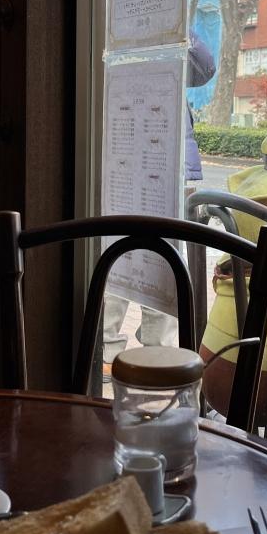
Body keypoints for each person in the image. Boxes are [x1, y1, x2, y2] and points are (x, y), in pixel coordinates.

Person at [102, 33, 217, 365]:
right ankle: (107, 346)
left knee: (163, 254)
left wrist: (181, 31)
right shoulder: (110, 28)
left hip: (167, 158)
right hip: (122, 149)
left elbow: (204, 68)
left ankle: (158, 350)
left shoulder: (173, 31)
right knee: (117, 249)